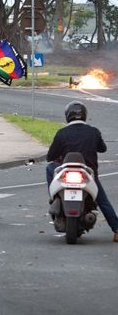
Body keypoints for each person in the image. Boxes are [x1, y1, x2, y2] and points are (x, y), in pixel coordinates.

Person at [46, 101, 118, 242]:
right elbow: (103, 148)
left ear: (68, 116)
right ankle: (116, 228)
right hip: (88, 174)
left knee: (49, 168)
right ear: (84, 115)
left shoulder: (62, 133)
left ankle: (54, 196)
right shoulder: (93, 131)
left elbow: (50, 156)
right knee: (103, 201)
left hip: (65, 175)